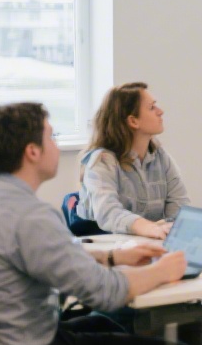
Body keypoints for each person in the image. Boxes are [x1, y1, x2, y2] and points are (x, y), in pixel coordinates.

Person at [0, 103, 198, 345]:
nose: (57, 145)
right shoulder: (31, 215)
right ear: (32, 152)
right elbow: (105, 293)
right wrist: (161, 271)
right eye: (51, 138)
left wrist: (112, 256)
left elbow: (41, 254)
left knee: (106, 325)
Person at [76, 82, 190, 239]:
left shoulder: (160, 157)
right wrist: (150, 228)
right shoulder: (101, 161)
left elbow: (180, 207)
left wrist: (173, 228)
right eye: (152, 108)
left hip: (148, 245)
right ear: (133, 121)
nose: (160, 112)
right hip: (107, 248)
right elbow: (108, 213)